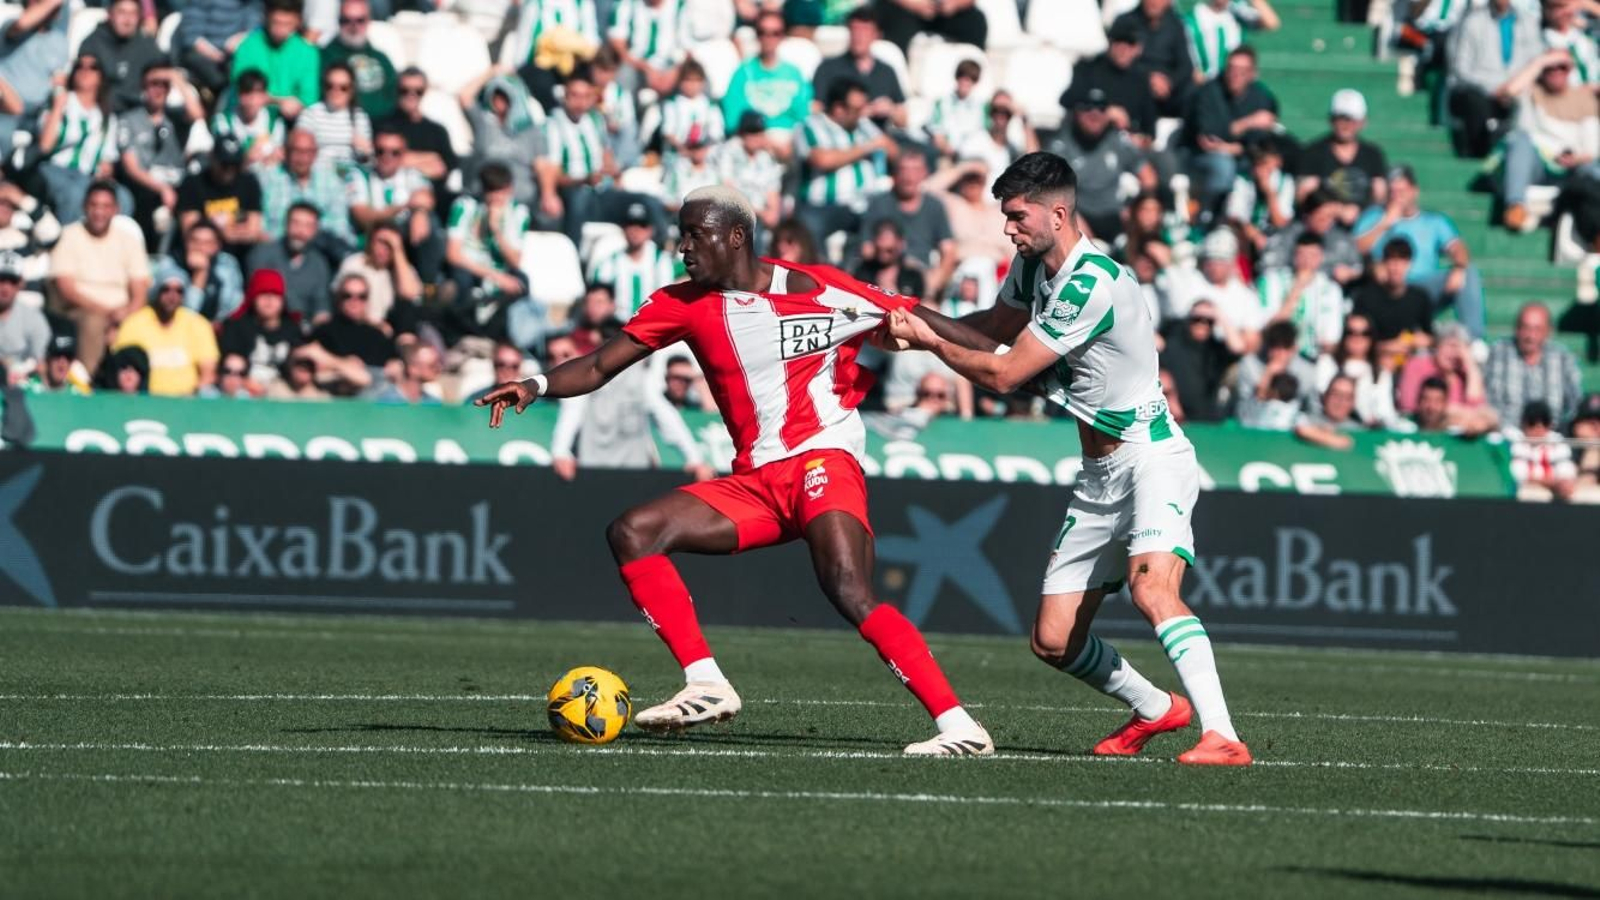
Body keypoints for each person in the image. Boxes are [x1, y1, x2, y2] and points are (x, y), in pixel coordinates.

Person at [476, 185, 995, 755]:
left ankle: (960, 727)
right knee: (632, 531)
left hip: (822, 459)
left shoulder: (823, 287)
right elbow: (601, 363)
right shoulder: (681, 303)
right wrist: (536, 385)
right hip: (756, 482)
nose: (683, 247)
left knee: (847, 587)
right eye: (682, 235)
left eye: (696, 234)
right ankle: (706, 683)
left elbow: (925, 318)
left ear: (737, 236)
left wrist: (1010, 362)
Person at [884, 152, 1251, 764]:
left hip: (1150, 457)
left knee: (1152, 589)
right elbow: (992, 327)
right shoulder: (1033, 268)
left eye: (1018, 216)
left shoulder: (1089, 281)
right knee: (1052, 641)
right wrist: (908, 318)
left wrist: (926, 342)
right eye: (1005, 216)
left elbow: (1002, 372)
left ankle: (1224, 736)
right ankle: (1160, 709)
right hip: (1099, 474)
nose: (1008, 228)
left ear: (1059, 213)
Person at [551, 320, 712, 480]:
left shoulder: (642, 378)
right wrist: (560, 452)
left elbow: (666, 417)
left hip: (633, 473)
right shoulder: (588, 375)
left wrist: (695, 458)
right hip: (594, 471)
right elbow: (572, 413)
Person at [49, 181, 151, 375]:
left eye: (105, 206)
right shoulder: (70, 236)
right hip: (81, 311)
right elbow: (67, 290)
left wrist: (124, 316)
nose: (99, 212)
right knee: (94, 323)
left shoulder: (128, 240)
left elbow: (140, 291)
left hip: (123, 312)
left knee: (147, 323)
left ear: (116, 209)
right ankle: (89, 384)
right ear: (85, 207)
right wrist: (107, 315)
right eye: (94, 205)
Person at [1497, 50, 1599, 231]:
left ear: (1570, 70)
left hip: (1575, 168)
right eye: (1550, 68)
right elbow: (1509, 92)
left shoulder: (1584, 98)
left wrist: (1575, 159)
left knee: (1592, 171)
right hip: (1539, 164)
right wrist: (1540, 61)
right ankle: (1515, 206)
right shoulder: (1531, 92)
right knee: (1519, 141)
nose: (1556, 71)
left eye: (1562, 67)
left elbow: (1592, 149)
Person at [794, 78, 898, 251]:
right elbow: (822, 160)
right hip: (823, 205)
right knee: (808, 230)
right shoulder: (810, 127)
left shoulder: (864, 125)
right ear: (838, 108)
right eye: (857, 109)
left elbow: (894, 152)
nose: (862, 114)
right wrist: (867, 147)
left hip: (866, 203)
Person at [1046, 88, 1154, 242]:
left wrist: (1133, 208)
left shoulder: (1118, 141)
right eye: (1087, 107)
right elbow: (1047, 193)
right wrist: (1072, 219)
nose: (1094, 113)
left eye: (1101, 107)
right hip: (1078, 220)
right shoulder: (1061, 146)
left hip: (1116, 219)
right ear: (1076, 112)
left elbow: (1149, 178)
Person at [119, 61, 204, 253]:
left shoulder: (176, 117)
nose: (158, 90)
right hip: (146, 185)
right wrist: (162, 188)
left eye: (163, 84)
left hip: (178, 183)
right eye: (153, 84)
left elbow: (197, 114)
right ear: (143, 86)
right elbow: (131, 166)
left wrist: (176, 79)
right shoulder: (129, 119)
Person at [1186, 45, 1278, 216]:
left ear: (1253, 73)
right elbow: (1208, 137)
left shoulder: (1262, 97)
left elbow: (1262, 139)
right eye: (1232, 69)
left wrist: (1232, 146)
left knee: (1268, 167)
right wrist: (1247, 123)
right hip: (1199, 157)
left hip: (1248, 156)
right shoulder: (1208, 92)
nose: (1235, 75)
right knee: (1223, 165)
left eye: (1242, 70)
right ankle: (1208, 218)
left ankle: (1260, 222)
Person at [1448, 0, 1544, 157]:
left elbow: (1536, 62)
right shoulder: (1472, 22)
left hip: (1517, 89)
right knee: (1474, 101)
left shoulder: (1529, 22)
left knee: (1531, 99)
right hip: (1481, 90)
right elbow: (1461, 69)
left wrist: (1512, 88)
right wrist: (1494, 89)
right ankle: (1479, 154)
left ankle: (1524, 152)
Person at [37, 55, 123, 227]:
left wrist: (105, 170)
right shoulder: (61, 102)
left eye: (93, 67)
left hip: (88, 175)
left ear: (101, 77)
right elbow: (44, 146)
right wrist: (58, 106)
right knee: (75, 194)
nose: (85, 71)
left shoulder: (106, 117)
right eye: (79, 66)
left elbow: (107, 161)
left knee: (123, 198)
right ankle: (67, 243)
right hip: (55, 169)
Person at [347, 127, 443, 281]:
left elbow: (426, 199)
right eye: (380, 151)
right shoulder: (360, 175)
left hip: (406, 236)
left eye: (395, 152)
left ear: (404, 155)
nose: (387, 157)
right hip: (372, 236)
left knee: (429, 221)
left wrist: (420, 212)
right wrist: (404, 206)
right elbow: (363, 217)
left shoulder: (410, 173)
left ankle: (429, 285)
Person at [858, 151, 957, 296]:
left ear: (925, 173)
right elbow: (866, 248)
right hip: (887, 270)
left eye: (915, 170)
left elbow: (949, 250)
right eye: (904, 170)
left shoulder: (935, 206)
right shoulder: (879, 204)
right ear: (895, 174)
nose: (909, 176)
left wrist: (934, 281)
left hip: (923, 274)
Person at [112, 265, 221, 396]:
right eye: (166, 290)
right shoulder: (134, 324)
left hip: (187, 401)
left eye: (179, 291)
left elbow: (208, 374)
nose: (172, 296)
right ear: (157, 292)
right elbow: (122, 368)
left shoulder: (197, 324)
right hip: (144, 400)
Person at [721, 10, 811, 155]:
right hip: (752, 141)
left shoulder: (794, 73)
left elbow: (804, 115)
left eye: (775, 33)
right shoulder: (743, 72)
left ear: (783, 36)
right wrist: (762, 140)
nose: (769, 38)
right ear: (757, 35)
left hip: (788, 141)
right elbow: (732, 119)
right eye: (763, 32)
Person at [1296, 89, 1388, 225]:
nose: (1345, 125)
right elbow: (1302, 196)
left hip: (1363, 225)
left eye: (1351, 120)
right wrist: (1337, 209)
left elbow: (1380, 195)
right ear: (1331, 120)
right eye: (1340, 119)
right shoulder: (1313, 152)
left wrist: (1360, 212)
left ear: (1362, 122)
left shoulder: (1373, 155)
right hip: (1322, 225)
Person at [1486, 301, 1583, 426]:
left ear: (1548, 331)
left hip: (1552, 435)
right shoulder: (1498, 353)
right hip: (1506, 433)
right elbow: (1486, 400)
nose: (1530, 336)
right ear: (1517, 328)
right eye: (1526, 327)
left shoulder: (1563, 359)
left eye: (1537, 329)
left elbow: (1575, 404)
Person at [461, 65, 545, 210]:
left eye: (504, 96)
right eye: (496, 95)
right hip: (483, 198)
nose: (499, 101)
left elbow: (542, 165)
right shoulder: (483, 123)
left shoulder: (531, 131)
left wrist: (548, 195)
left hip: (520, 201)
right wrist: (491, 72)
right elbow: (464, 96)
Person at [811, 8, 907, 130]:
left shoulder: (886, 71)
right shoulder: (828, 68)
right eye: (855, 30)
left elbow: (904, 120)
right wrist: (855, 112)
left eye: (865, 30)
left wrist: (890, 110)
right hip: (843, 136)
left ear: (876, 35)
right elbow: (816, 109)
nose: (859, 36)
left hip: (881, 135)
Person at [1257, 232, 1348, 359]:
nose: (1306, 261)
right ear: (1294, 256)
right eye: (1301, 254)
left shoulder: (1331, 290)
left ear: (1321, 257)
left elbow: (1331, 340)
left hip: (1314, 358)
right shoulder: (1272, 281)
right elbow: (1269, 329)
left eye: (1312, 255)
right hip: (1277, 354)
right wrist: (1297, 289)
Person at [1396, 322, 1497, 434]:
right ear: (1438, 345)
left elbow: (1477, 404)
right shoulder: (1417, 365)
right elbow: (1408, 405)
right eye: (1450, 346)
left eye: (1458, 348)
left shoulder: (1463, 372)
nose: (1453, 353)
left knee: (1488, 417)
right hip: (1425, 423)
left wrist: (1470, 363)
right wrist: (1453, 411)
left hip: (1462, 428)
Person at [258, 129, 355, 246]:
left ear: (315, 154)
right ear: (286, 152)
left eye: (307, 152)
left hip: (320, 250)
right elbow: (260, 227)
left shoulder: (331, 182)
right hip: (278, 249)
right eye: (297, 151)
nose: (302, 158)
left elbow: (339, 227)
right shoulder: (268, 180)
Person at [176, 137, 266, 261]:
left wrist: (224, 232)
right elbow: (190, 231)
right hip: (203, 255)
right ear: (212, 159)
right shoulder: (193, 184)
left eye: (234, 164)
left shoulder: (249, 182)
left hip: (242, 255)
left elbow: (254, 231)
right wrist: (232, 231)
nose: (229, 170)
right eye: (224, 164)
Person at [230, 0, 321, 120]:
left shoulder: (308, 52)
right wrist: (280, 101)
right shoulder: (248, 46)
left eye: (287, 24)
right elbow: (242, 87)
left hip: (292, 120)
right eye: (276, 22)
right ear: (267, 18)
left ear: (298, 22)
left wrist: (294, 104)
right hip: (253, 116)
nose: (280, 29)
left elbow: (309, 97)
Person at [0, 0, 71, 150]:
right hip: (5, 109)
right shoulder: (11, 25)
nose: (51, 8)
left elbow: (58, 79)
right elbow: (21, 24)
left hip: (35, 117)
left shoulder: (60, 42)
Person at [1314, 312, 1404, 430]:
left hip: (1365, 432)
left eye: (1364, 333)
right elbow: (1321, 400)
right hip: (1328, 426)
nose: (1357, 338)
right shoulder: (1327, 363)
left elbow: (1386, 411)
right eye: (1351, 332)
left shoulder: (1380, 373)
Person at [380, 68, 458, 203]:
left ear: (425, 91)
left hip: (433, 203)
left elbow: (442, 168)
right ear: (397, 90)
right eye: (405, 90)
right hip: (392, 201)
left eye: (418, 91)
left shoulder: (438, 131)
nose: (411, 95)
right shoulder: (382, 125)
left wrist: (406, 159)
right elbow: (385, 163)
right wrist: (430, 158)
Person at [221, 267, 307, 388]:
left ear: (282, 299)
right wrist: (246, 383)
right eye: (263, 293)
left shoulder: (293, 329)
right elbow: (230, 366)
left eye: (275, 294)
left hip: (284, 389)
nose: (269, 300)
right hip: (244, 389)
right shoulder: (236, 327)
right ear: (253, 298)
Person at [248, 202, 336, 319]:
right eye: (296, 223)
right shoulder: (263, 254)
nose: (300, 231)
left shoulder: (319, 263)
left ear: (315, 231)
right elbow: (257, 299)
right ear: (286, 225)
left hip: (305, 331)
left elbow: (321, 307)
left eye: (308, 226)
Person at [589, 202, 676, 320]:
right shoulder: (609, 264)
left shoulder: (661, 261)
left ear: (650, 230)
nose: (635, 230)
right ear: (623, 229)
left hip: (653, 327)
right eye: (630, 225)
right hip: (616, 328)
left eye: (641, 225)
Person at [1158, 299, 1241, 422]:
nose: (1202, 324)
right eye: (1197, 319)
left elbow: (1238, 347)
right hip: (1176, 419)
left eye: (1208, 321)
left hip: (1207, 420)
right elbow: (1161, 374)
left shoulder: (1216, 349)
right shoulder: (1173, 343)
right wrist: (1170, 397)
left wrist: (1220, 316)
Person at [1350, 236, 1435, 353]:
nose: (1396, 268)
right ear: (1384, 264)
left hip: (1408, 361)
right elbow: (1354, 341)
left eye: (1402, 261)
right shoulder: (1366, 297)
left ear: (1409, 264)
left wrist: (1419, 340)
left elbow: (1431, 338)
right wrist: (1389, 347)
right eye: (1392, 261)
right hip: (1374, 362)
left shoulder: (1420, 298)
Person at [1111, 0, 1196, 118]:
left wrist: (1169, 82)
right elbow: (1116, 59)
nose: (1154, 3)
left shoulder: (1176, 25)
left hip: (1168, 91)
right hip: (1135, 86)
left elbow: (1186, 66)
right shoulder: (1125, 22)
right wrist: (1147, 78)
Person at [78, 0, 163, 114]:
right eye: (122, 13)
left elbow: (164, 73)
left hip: (138, 113)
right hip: (99, 112)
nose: (127, 20)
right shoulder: (92, 44)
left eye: (133, 14)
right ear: (110, 14)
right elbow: (84, 84)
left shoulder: (146, 45)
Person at [333, 222, 421, 332]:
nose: (384, 248)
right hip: (358, 326)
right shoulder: (354, 263)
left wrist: (397, 250)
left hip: (393, 328)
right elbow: (342, 302)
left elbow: (409, 294)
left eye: (389, 244)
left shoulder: (403, 268)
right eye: (380, 242)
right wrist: (375, 325)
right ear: (370, 243)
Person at [319, 0, 399, 120]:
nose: (354, 26)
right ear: (338, 22)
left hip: (381, 126)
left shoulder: (381, 58)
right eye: (346, 20)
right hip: (340, 125)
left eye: (360, 20)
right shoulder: (325, 56)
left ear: (369, 21)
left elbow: (394, 94)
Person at [296, 62, 374, 176]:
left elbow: (367, 163)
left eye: (343, 88)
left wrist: (365, 152)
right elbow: (299, 152)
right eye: (330, 86)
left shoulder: (359, 117)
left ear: (351, 90)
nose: (336, 91)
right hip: (318, 175)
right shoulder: (310, 114)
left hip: (349, 176)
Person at [712, 112, 784, 233]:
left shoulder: (767, 158)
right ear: (741, 133)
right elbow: (727, 192)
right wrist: (761, 212)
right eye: (751, 132)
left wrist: (773, 213)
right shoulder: (729, 151)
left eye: (759, 133)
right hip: (732, 218)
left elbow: (773, 192)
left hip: (759, 221)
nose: (755, 137)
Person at [176, 0, 262, 97]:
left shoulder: (249, 4)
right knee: (222, 81)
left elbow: (254, 19)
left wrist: (243, 37)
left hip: (236, 50)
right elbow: (191, 35)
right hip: (204, 52)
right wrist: (213, 54)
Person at [1225, 137, 1295, 254]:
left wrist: (1269, 193)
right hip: (1245, 235)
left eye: (1264, 164)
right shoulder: (1243, 180)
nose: (1259, 170)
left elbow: (1281, 222)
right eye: (1256, 164)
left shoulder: (1286, 182)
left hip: (1274, 236)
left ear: (1277, 161)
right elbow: (1234, 216)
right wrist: (1253, 234)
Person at [211, 70, 287, 170]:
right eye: (247, 93)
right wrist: (245, 160)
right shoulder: (223, 121)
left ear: (265, 96)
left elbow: (278, 155)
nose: (252, 100)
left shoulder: (274, 120)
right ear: (238, 95)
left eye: (257, 93)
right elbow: (221, 162)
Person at [176, 220, 246, 322]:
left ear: (217, 246)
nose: (200, 247)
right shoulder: (173, 263)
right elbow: (187, 315)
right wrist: (200, 273)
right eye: (195, 241)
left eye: (207, 243)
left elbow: (230, 306)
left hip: (219, 327)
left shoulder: (226, 263)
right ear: (186, 243)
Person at [1509, 400, 1578, 500]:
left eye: (1545, 422)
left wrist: (1560, 484)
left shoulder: (1557, 442)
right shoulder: (1515, 442)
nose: (1539, 427)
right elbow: (1518, 475)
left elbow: (1566, 473)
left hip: (1555, 492)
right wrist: (1552, 483)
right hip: (1526, 492)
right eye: (1532, 422)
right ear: (1523, 424)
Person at [0, 251, 48, 382]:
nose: (5, 287)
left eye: (12, 281)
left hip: (22, 385)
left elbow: (41, 363)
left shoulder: (33, 319)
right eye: (1, 279)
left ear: (20, 283)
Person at [874, 0, 986, 55]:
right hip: (909, 11)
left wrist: (953, 4)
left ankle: (970, 74)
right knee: (885, 13)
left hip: (948, 15)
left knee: (975, 20)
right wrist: (916, 4)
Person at [1293, 374, 1362, 450]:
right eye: (1336, 394)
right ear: (1325, 396)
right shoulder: (1308, 419)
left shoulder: (1359, 431)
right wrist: (1332, 440)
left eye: (1347, 397)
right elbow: (1301, 428)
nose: (1340, 401)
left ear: (1353, 402)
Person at [370, 341, 443, 404]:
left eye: (439, 363)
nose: (439, 368)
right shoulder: (387, 401)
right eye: (432, 365)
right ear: (412, 369)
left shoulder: (433, 403)